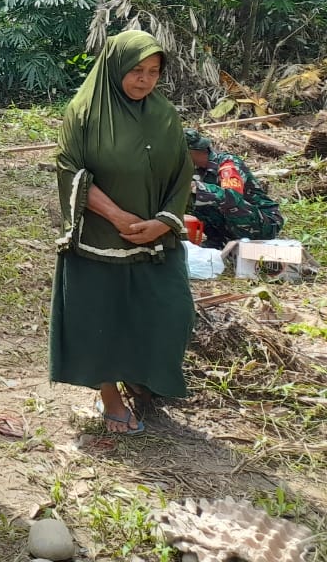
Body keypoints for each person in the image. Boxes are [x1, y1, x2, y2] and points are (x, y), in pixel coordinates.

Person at [52, 30, 194, 435]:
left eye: (153, 72)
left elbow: (182, 173)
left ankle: (142, 375)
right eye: (135, 71)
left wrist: (162, 222)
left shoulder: (165, 114)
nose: (144, 80)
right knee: (101, 320)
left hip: (155, 239)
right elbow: (70, 171)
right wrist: (117, 217)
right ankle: (110, 398)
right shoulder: (83, 113)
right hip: (100, 239)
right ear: (115, 68)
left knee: (171, 311)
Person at [185, 128, 285, 246]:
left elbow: (232, 197)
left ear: (192, 152)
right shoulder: (193, 169)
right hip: (229, 225)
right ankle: (218, 241)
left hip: (264, 222)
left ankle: (247, 243)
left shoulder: (227, 163)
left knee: (228, 204)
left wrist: (196, 188)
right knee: (191, 201)